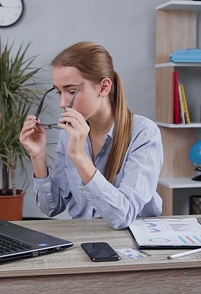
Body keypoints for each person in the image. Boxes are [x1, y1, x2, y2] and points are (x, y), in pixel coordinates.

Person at [19, 41, 163, 229]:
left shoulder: (143, 133)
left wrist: (79, 156)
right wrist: (38, 156)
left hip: (134, 240)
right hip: (86, 238)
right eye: (58, 92)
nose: (62, 102)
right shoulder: (68, 134)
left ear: (104, 87)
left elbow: (123, 216)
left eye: (71, 91)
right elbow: (51, 208)